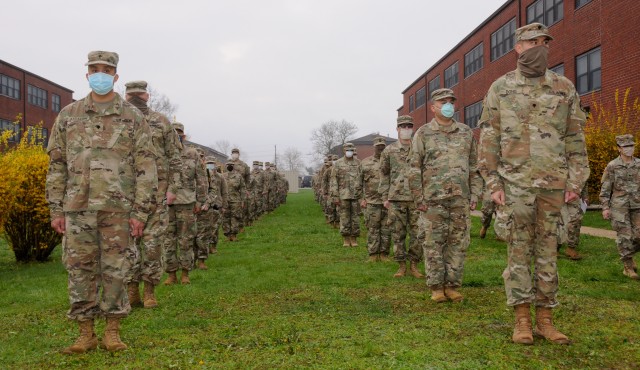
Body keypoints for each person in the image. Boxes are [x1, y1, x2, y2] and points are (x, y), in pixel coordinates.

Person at [478, 23, 589, 345]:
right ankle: (522, 320)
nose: (539, 47)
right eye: (532, 42)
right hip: (515, 185)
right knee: (518, 253)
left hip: (554, 184)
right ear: (518, 48)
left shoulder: (563, 87)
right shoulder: (501, 87)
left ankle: (546, 319)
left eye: (544, 42)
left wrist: (577, 181)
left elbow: (574, 137)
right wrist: (493, 181)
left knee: (547, 252)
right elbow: (489, 138)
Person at [46, 51, 158, 353]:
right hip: (77, 208)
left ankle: (112, 331)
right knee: (79, 270)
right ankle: (85, 333)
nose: (99, 74)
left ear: (116, 77)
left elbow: (146, 167)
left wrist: (140, 211)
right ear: (86, 75)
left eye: (106, 70)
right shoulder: (69, 115)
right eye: (94, 69)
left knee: (116, 269)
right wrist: (56, 207)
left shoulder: (132, 118)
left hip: (118, 209)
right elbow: (57, 164)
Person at [408, 88, 482, 303]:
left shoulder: (466, 132)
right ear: (433, 107)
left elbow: (474, 166)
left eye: (451, 101)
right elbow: (413, 168)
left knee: (458, 243)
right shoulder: (423, 133)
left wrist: (475, 193)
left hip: (460, 198)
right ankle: (436, 286)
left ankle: (452, 285)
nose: (448, 105)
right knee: (433, 243)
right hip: (432, 200)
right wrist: (418, 198)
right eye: (443, 102)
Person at [123, 80, 182, 309]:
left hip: (156, 193)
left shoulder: (161, 122)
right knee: (128, 244)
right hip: (126, 194)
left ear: (147, 96)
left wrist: (173, 189)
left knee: (152, 243)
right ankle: (131, 290)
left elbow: (175, 157)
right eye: (132, 95)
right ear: (126, 97)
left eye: (140, 94)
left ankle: (149, 290)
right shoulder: (119, 120)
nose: (137, 98)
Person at [380, 115, 424, 279]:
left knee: (418, 233)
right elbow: (384, 175)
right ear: (397, 129)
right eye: (403, 126)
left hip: (416, 198)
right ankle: (401, 265)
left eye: (409, 126)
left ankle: (414, 264)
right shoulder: (389, 150)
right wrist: (385, 196)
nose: (406, 129)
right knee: (397, 233)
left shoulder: (419, 147)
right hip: (396, 198)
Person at [163, 122, 207, 285]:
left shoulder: (192, 154)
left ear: (184, 135)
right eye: (173, 132)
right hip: (167, 203)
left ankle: (185, 272)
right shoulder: (163, 153)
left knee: (186, 239)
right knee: (168, 240)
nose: (176, 135)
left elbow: (201, 179)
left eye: (179, 133)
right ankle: (171, 273)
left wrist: (201, 200)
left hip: (187, 202)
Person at [600, 134, 640, 280]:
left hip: (637, 205)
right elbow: (605, 189)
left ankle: (628, 255)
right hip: (619, 207)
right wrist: (605, 207)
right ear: (619, 148)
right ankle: (628, 267)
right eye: (625, 146)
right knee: (625, 237)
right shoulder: (612, 166)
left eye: (631, 146)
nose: (629, 149)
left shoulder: (639, 164)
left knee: (638, 236)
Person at [360, 136, 391, 261]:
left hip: (387, 201)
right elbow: (359, 182)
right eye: (378, 146)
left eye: (382, 146)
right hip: (371, 201)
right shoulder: (365, 162)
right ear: (374, 147)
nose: (380, 148)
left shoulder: (390, 161)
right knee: (372, 228)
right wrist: (361, 198)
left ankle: (384, 253)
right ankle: (373, 254)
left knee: (386, 229)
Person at [330, 142, 362, 247]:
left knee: (355, 217)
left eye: (351, 150)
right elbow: (334, 180)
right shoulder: (338, 163)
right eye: (347, 150)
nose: (349, 152)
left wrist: (363, 195)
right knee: (344, 217)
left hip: (356, 195)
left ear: (354, 151)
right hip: (343, 195)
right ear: (343, 151)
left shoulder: (358, 163)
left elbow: (363, 179)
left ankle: (354, 238)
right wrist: (335, 195)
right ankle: (346, 239)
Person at [205, 157, 228, 254]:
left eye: (212, 164)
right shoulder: (204, 175)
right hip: (206, 204)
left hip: (217, 204)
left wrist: (224, 205)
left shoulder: (220, 177)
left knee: (215, 227)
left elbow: (224, 192)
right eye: (208, 163)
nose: (210, 166)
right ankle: (205, 247)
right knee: (206, 227)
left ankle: (213, 246)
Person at [223, 161, 246, 241]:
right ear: (226, 166)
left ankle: (233, 235)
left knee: (235, 217)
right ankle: (227, 235)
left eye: (231, 165)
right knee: (225, 218)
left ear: (234, 166)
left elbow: (243, 188)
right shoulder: (223, 176)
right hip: (225, 200)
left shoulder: (238, 176)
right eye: (228, 165)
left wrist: (243, 200)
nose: (230, 166)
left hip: (235, 200)